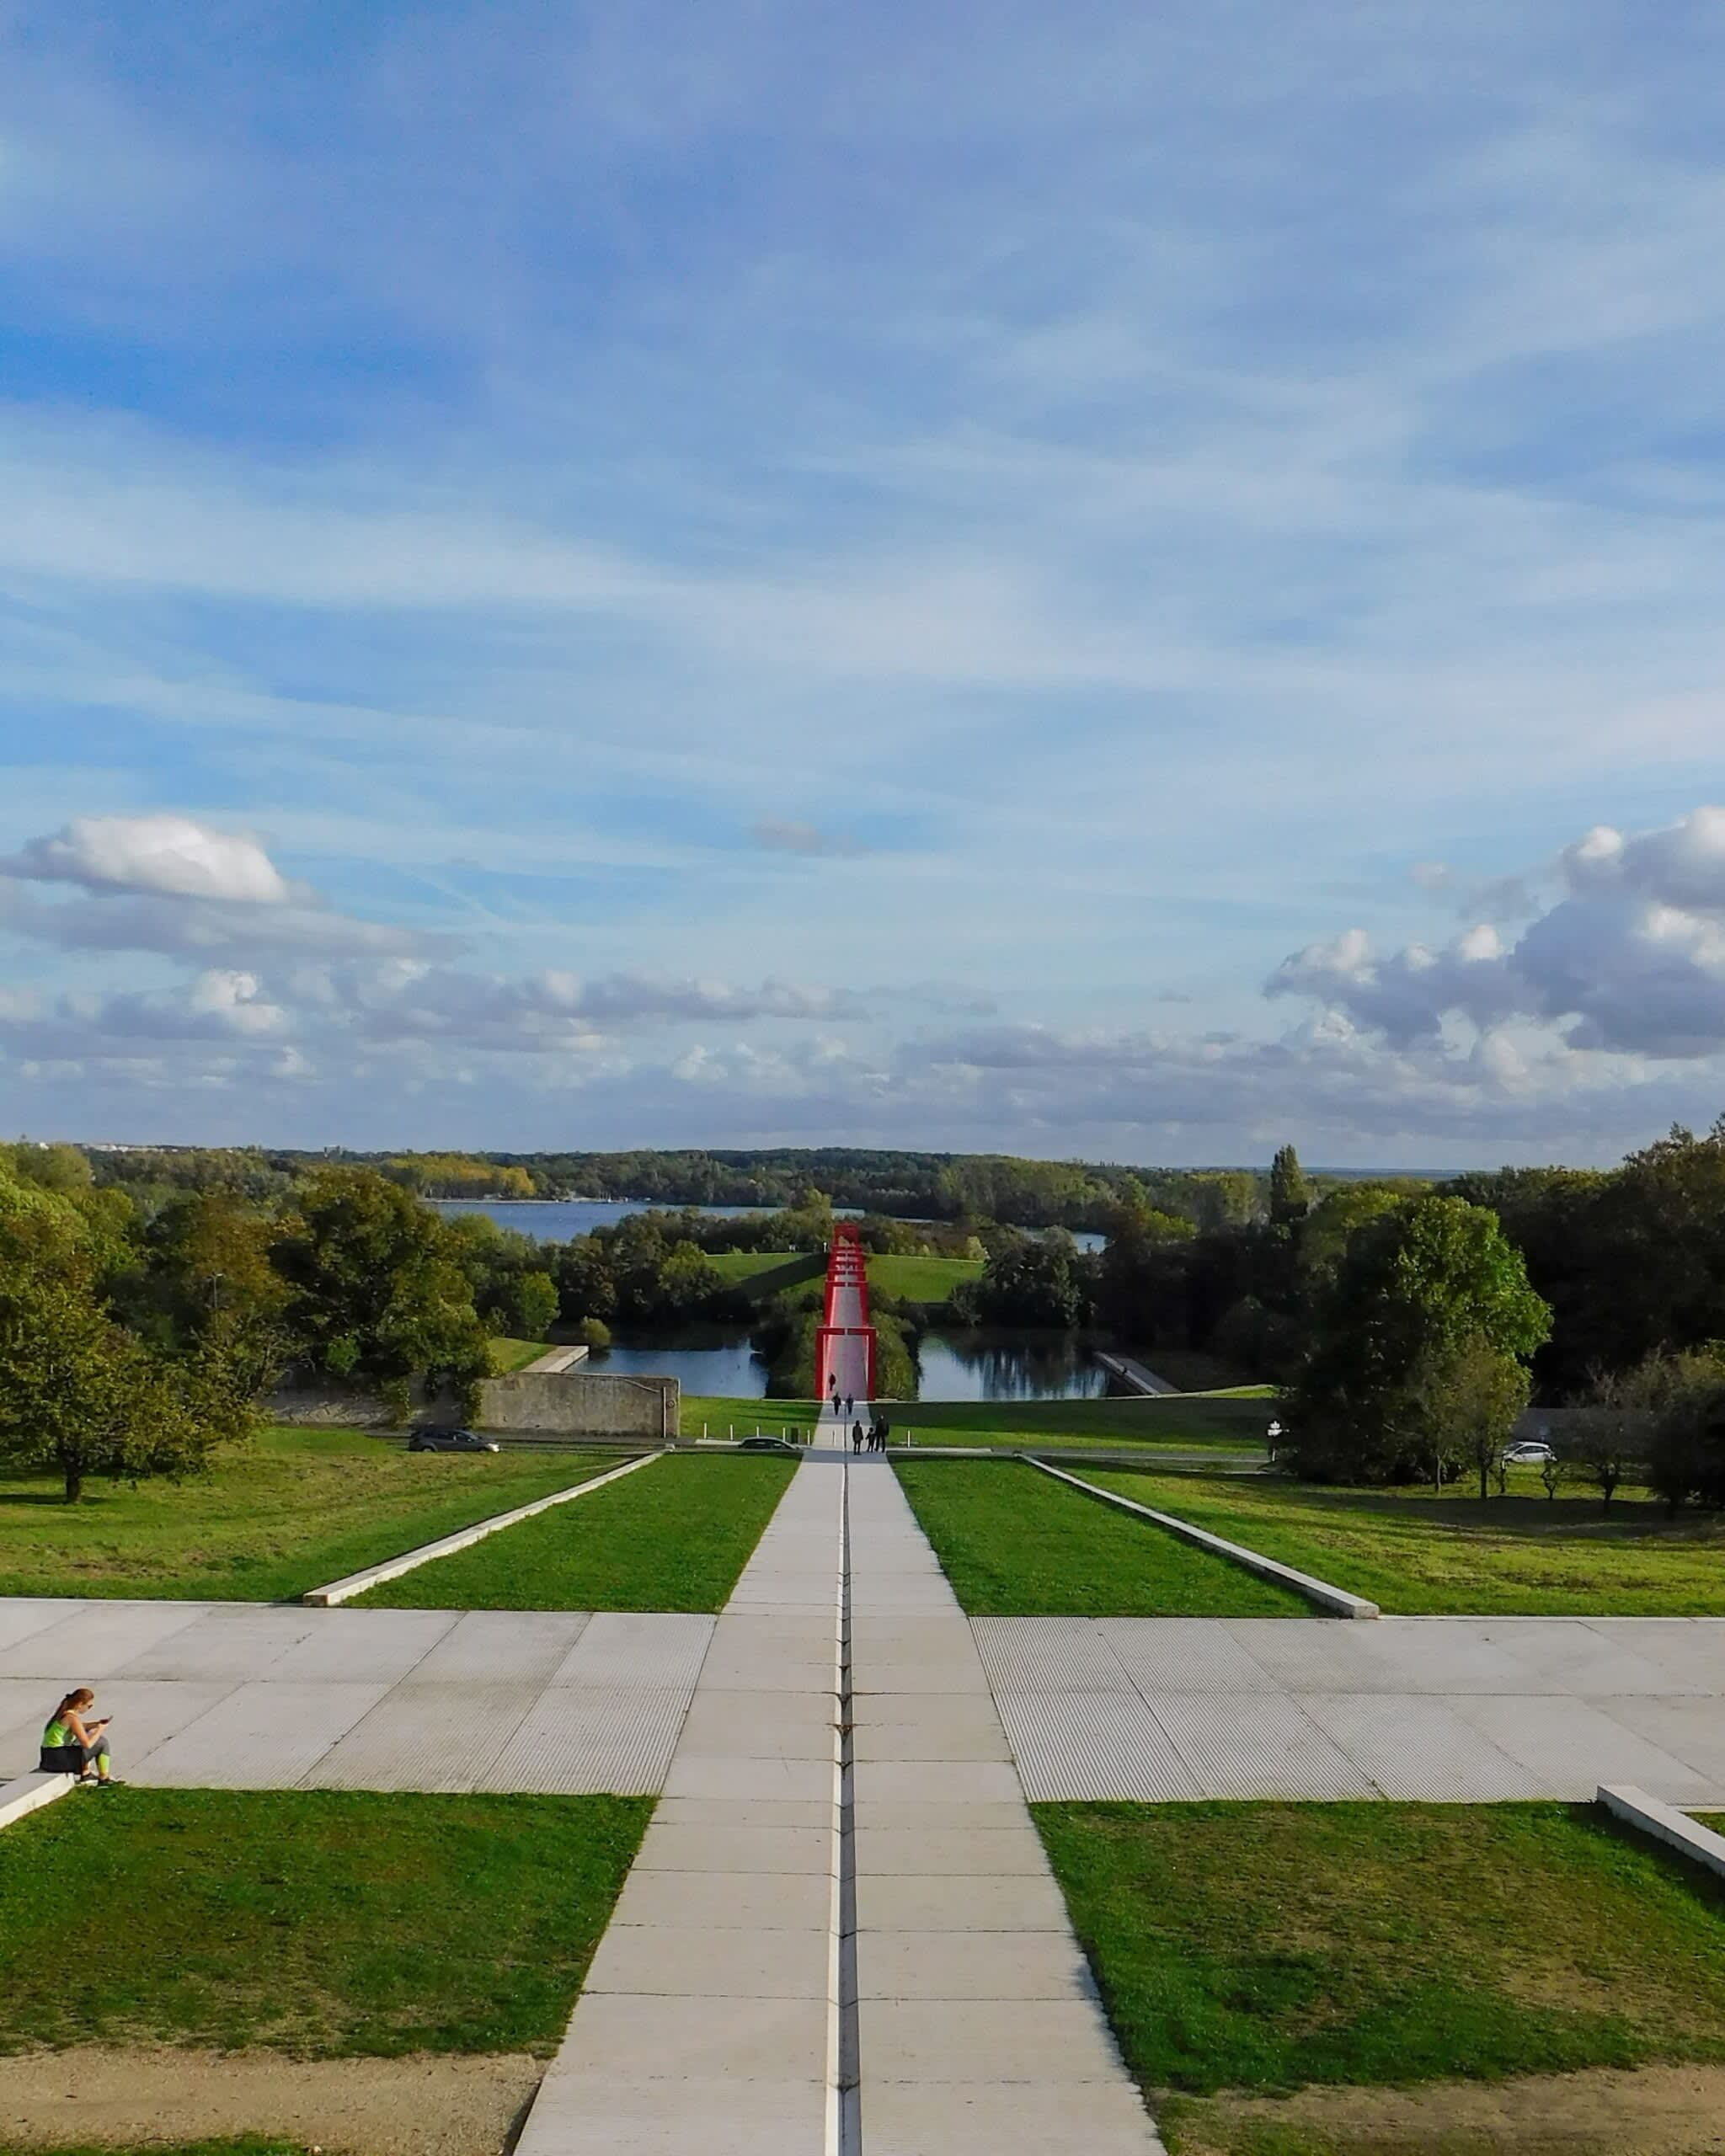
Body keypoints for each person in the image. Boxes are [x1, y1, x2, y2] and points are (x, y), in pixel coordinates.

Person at [40, 1689, 115, 1786]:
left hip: (49, 1758)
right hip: (58, 1761)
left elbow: (80, 1727)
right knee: (101, 1742)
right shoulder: (72, 1718)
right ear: (80, 1704)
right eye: (89, 1706)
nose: (90, 1708)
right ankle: (104, 1778)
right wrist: (100, 1730)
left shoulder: (63, 1714)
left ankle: (86, 1774)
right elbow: (87, 1744)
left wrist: (96, 1724)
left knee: (79, 1741)